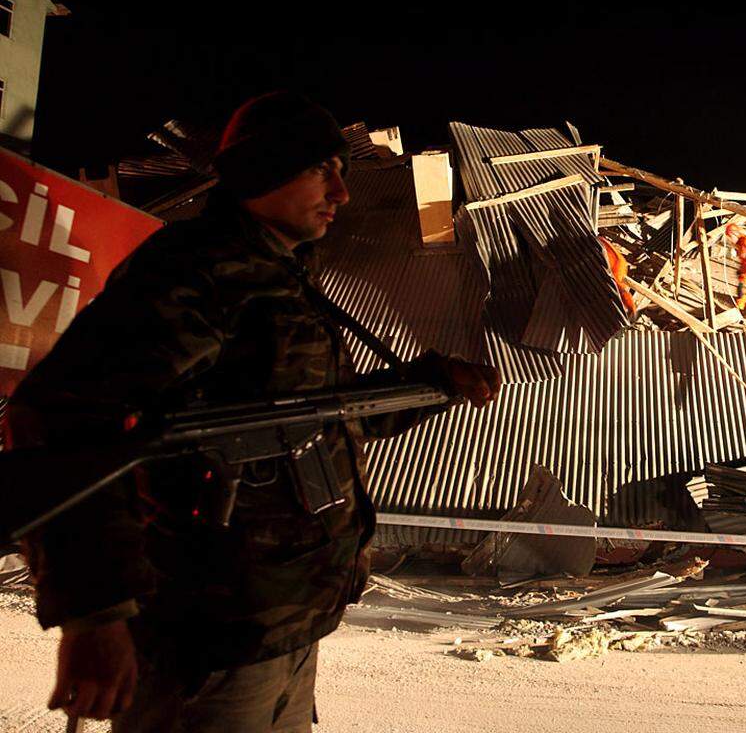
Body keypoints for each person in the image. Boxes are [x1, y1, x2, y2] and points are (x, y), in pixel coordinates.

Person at [8, 92, 500, 730]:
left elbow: (321, 424)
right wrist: (96, 615)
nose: (343, 194)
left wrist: (431, 385)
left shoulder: (281, 276)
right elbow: (59, 423)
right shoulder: (195, 274)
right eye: (322, 169)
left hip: (285, 623)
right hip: (208, 640)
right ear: (264, 170)